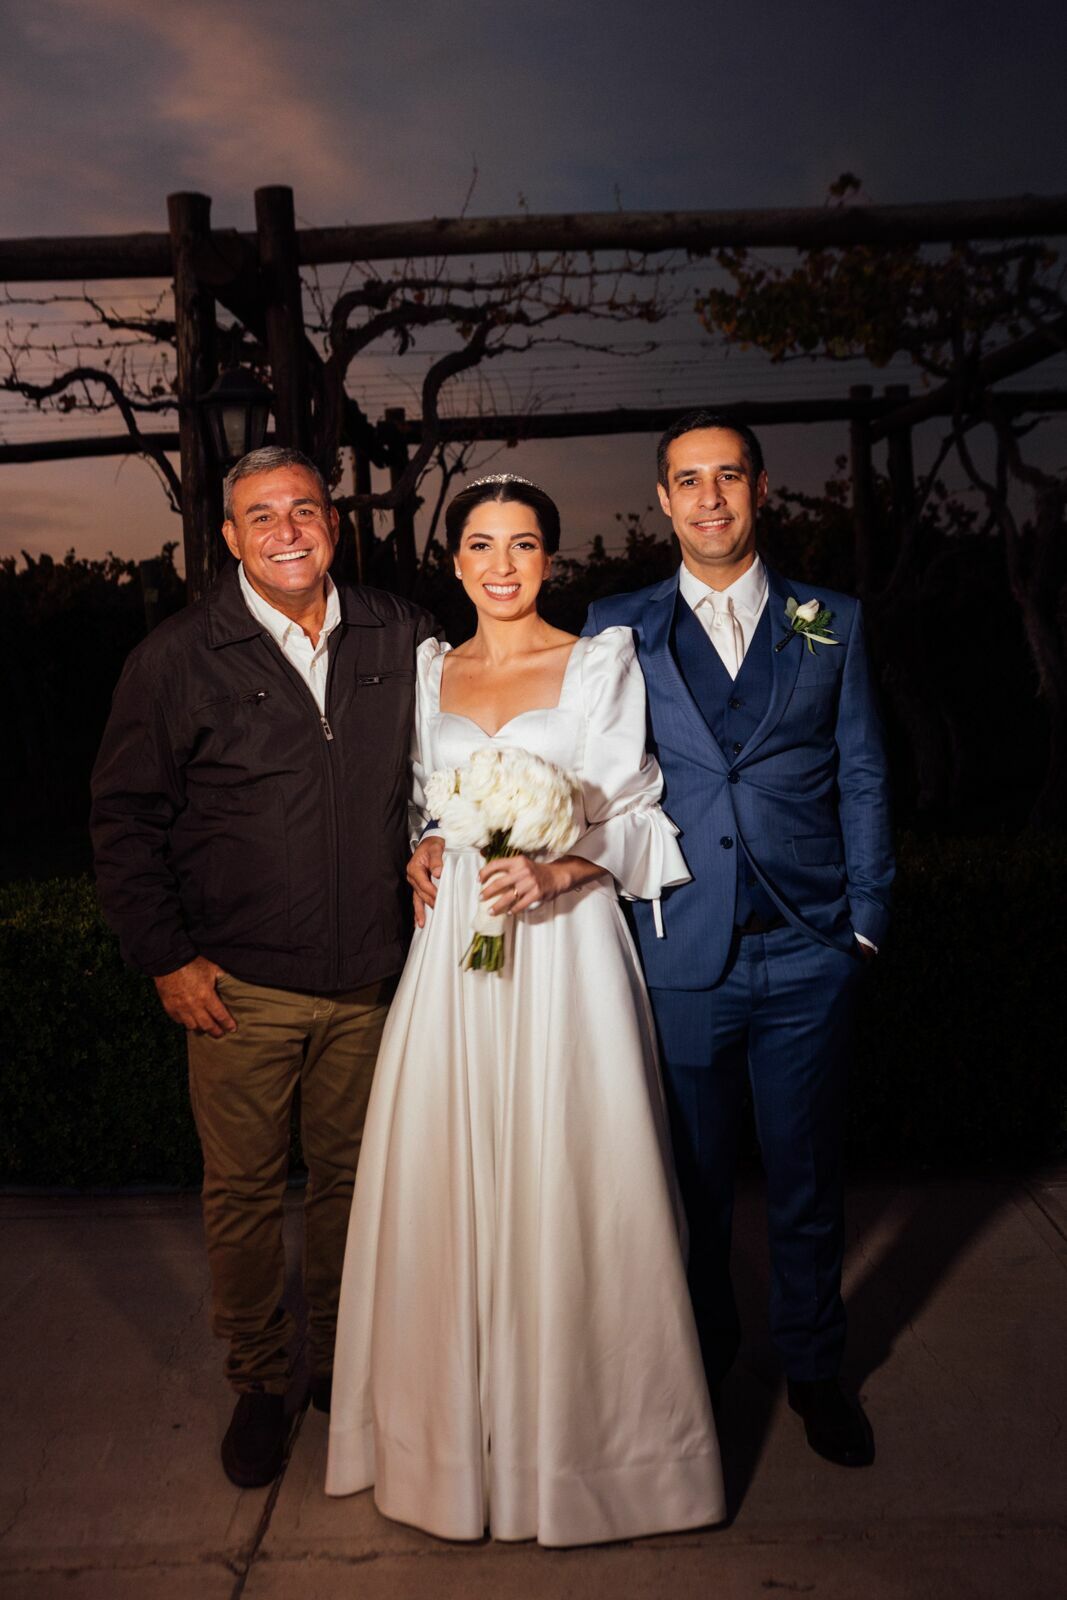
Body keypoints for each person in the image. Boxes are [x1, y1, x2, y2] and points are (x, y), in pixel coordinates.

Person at [325, 473, 725, 1546]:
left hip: (561, 953)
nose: (501, 564)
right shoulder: (424, 669)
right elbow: (425, 801)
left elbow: (636, 813)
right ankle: (448, 1450)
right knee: (444, 1176)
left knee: (572, 1175)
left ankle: (593, 1457)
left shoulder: (599, 663)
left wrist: (564, 869)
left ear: (551, 559)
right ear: (451, 561)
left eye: (524, 544)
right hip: (456, 951)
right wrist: (422, 847)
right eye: (480, 544)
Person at [90, 446, 436, 1489]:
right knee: (243, 1194)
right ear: (229, 537)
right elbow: (124, 819)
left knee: (350, 1186)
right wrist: (166, 959)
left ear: (333, 522)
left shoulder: (401, 633)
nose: (288, 529)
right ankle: (256, 1376)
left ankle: (335, 1360)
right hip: (239, 985)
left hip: (371, 978)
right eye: (260, 515)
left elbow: (445, 772)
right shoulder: (179, 655)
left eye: (304, 508)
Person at [584, 411, 894, 1469]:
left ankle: (813, 1369)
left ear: (760, 489)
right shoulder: (614, 624)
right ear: (662, 500)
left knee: (806, 1178)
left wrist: (864, 920)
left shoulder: (828, 618)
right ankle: (700, 1370)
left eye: (728, 475)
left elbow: (858, 769)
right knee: (688, 1185)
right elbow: (579, 773)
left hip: (808, 949)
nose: (708, 496)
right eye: (686, 479)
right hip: (678, 951)